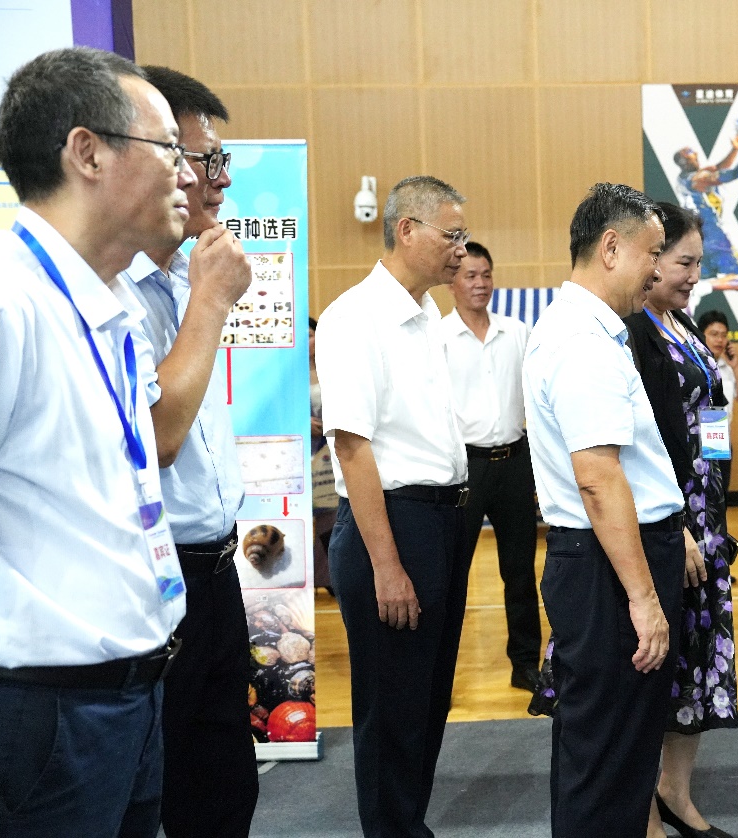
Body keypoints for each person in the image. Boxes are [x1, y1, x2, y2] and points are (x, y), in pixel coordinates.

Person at [0, 47, 194, 836]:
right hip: (44, 707)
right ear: (87, 152)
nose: (188, 174)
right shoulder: (11, 302)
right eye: (169, 149)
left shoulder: (110, 304)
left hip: (130, 693)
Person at [116, 66, 256, 838]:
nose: (219, 180)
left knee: (225, 788)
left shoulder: (182, 277)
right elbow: (161, 439)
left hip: (217, 572)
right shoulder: (117, 291)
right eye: (206, 159)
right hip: (156, 579)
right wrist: (210, 300)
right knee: (153, 795)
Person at [523, 183, 685, 838]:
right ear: (611, 247)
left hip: (607, 558)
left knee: (611, 752)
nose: (657, 269)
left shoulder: (591, 333)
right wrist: (643, 599)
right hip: (608, 566)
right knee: (608, 757)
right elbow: (598, 479)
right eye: (653, 252)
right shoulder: (581, 343)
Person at [316, 175, 473, 837]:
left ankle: (409, 825)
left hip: (441, 520)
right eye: (452, 235)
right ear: (407, 230)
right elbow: (353, 448)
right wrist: (386, 566)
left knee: (427, 699)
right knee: (391, 708)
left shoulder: (428, 313)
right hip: (393, 524)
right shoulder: (355, 317)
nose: (461, 250)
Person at [624, 203, 738, 838]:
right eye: (683, 262)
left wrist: (712, 515)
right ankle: (642, 808)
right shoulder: (633, 330)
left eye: (699, 263)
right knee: (655, 667)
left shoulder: (684, 324)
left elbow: (710, 420)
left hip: (705, 513)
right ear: (650, 259)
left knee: (695, 664)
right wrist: (681, 527)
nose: (694, 275)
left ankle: (676, 792)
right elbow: (640, 446)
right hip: (668, 518)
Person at [439, 240, 542, 692]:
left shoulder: (517, 332)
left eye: (486, 275)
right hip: (465, 468)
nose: (480, 284)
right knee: (453, 573)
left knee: (520, 571)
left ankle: (526, 664)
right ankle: (441, 671)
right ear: (453, 282)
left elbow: (536, 399)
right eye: (470, 276)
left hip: (515, 462)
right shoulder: (438, 337)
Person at [673, 127, 738, 295]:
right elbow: (734, 173)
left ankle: (692, 297)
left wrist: (735, 149)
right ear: (687, 162)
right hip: (712, 234)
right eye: (692, 155)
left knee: (700, 279)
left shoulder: (685, 178)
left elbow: (718, 168)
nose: (696, 156)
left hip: (695, 238)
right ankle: (702, 289)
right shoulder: (698, 180)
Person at [698, 308, 738, 491]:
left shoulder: (727, 369)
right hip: (696, 437)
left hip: (719, 436)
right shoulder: (693, 366)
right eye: (714, 334)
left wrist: (735, 366)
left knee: (720, 493)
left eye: (723, 335)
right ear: (701, 335)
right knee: (700, 494)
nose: (720, 340)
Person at [310, 316, 336, 590]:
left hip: (328, 450)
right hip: (301, 451)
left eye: (312, 335)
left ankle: (329, 576)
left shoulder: (333, 367)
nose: (309, 342)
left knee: (330, 513)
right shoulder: (289, 375)